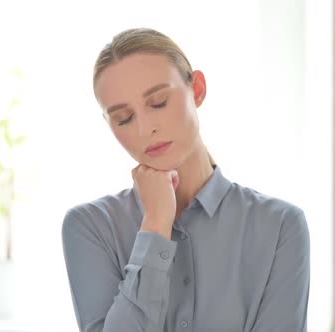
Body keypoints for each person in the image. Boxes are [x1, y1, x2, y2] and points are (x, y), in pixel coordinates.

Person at [62, 27, 310, 332]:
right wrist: (155, 224)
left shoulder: (280, 227)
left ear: (198, 89)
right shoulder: (90, 227)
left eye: (158, 103)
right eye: (124, 118)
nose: (145, 130)